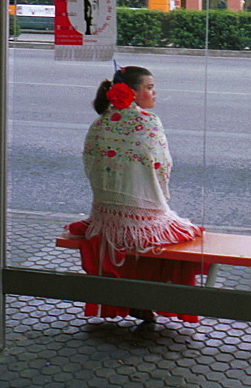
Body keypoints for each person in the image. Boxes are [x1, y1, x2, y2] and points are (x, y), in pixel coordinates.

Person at [64, 64, 204, 323]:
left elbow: (91, 165)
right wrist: (160, 197)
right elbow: (162, 168)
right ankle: (151, 299)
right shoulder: (148, 122)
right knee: (187, 234)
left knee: (133, 234)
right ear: (131, 92)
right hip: (141, 220)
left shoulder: (100, 122)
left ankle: (133, 301)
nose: (154, 93)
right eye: (149, 88)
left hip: (104, 218)